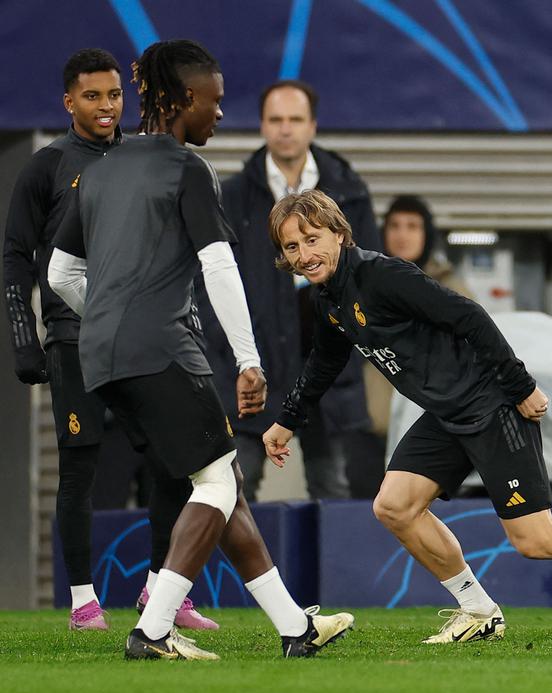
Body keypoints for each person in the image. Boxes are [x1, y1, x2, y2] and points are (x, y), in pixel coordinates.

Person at [260, 189, 552, 644]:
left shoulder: (383, 275)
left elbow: (469, 316)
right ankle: (478, 611)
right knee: (394, 506)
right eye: (292, 247)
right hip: (447, 413)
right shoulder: (329, 300)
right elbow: (325, 362)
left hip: (491, 404)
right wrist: (287, 420)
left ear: (338, 233)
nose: (304, 255)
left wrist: (520, 386)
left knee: (537, 539)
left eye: (312, 239)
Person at [47, 39, 352, 660]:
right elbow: (219, 266)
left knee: (220, 479)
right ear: (186, 98)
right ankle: (153, 629)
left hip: (100, 358)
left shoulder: (99, 169)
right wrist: (249, 360)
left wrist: (104, 318)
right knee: (215, 480)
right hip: (162, 350)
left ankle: (294, 626)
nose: (218, 113)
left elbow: (59, 274)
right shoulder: (188, 169)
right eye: (214, 101)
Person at [2, 47, 214, 632]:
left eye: (115, 94)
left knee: (172, 465)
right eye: (92, 96)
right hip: (73, 339)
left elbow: (174, 250)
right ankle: (82, 602)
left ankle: (159, 590)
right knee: (80, 468)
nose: (106, 106)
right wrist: (25, 336)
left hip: (146, 340)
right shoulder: (46, 167)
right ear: (67, 102)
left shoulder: (144, 157)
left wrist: (187, 319)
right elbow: (17, 256)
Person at [199, 78, 380, 501]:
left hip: (331, 372)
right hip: (254, 370)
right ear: (262, 125)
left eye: (295, 119)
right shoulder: (232, 197)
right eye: (276, 119)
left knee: (333, 493)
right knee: (233, 491)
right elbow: (207, 284)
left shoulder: (349, 192)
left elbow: (371, 278)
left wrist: (354, 345)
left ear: (312, 125)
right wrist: (230, 357)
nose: (285, 129)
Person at [352, 195, 474, 498]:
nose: (402, 234)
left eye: (412, 226)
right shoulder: (361, 283)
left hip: (434, 430)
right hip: (371, 428)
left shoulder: (450, 288)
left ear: (427, 233)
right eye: (394, 226)